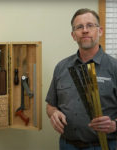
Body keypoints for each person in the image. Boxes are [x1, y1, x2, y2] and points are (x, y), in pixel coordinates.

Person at [46, 8, 117, 150]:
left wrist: (115, 125)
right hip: (67, 145)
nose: (85, 30)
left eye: (90, 25)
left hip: (103, 146)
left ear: (100, 31)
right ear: (73, 35)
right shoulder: (61, 67)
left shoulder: (114, 67)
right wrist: (53, 113)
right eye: (79, 27)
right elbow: (50, 105)